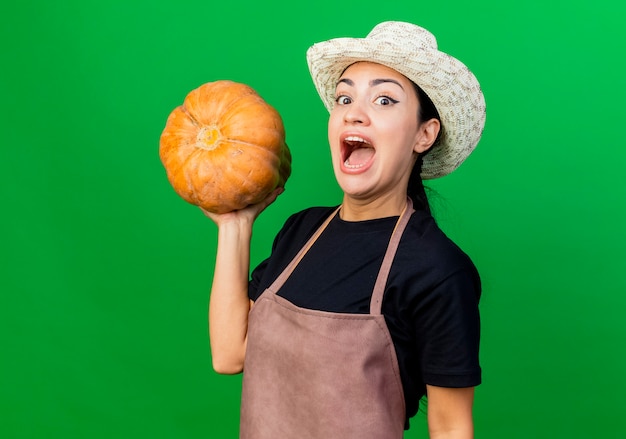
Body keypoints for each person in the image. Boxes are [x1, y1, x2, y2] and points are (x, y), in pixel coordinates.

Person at [204, 21, 486, 439]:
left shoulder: (437, 268)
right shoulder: (301, 230)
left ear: (424, 135)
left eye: (385, 99)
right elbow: (230, 354)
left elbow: (450, 428)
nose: (354, 111)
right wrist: (236, 224)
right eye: (344, 97)